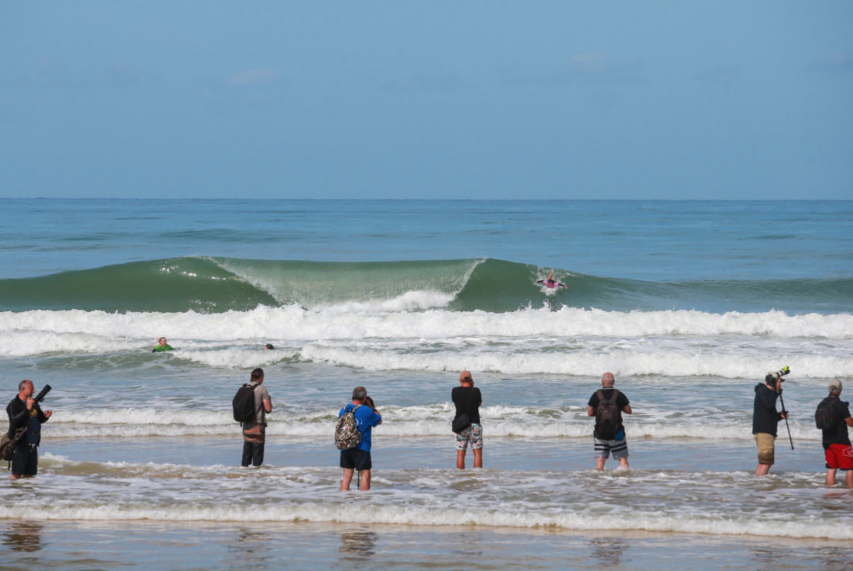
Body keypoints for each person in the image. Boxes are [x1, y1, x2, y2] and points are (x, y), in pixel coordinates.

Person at [6, 380, 52, 480]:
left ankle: (27, 494)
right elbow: (14, 422)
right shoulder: (13, 405)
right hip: (20, 443)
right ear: (23, 389)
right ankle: (12, 493)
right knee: (16, 474)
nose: (34, 391)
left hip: (33, 443)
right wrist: (27, 408)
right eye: (31, 389)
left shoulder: (34, 404)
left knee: (29, 475)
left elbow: (38, 419)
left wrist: (45, 416)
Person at [339, 386, 382, 491]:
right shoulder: (367, 410)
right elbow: (379, 420)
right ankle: (364, 501)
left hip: (345, 445)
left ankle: (343, 500)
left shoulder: (343, 410)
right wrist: (372, 407)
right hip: (361, 446)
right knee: (365, 474)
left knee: (347, 476)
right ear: (365, 397)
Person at [587, 372, 632, 470]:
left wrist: (598, 413)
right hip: (618, 432)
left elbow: (590, 413)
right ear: (614, 382)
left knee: (599, 463)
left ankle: (599, 481)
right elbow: (629, 411)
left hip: (600, 433)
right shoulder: (619, 395)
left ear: (602, 382)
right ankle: (625, 482)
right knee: (623, 460)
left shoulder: (596, 395)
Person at [818, 379, 853, 488]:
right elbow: (850, 423)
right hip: (841, 441)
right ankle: (851, 492)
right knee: (851, 468)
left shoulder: (822, 403)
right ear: (840, 390)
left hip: (826, 441)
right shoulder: (841, 405)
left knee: (831, 468)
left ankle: (830, 494)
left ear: (829, 389)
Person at [753, 371, 789, 476]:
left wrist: (779, 416)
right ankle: (762, 484)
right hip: (764, 432)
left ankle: (759, 481)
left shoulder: (765, 393)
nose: (780, 384)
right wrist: (776, 392)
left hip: (765, 430)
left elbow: (768, 413)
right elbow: (769, 404)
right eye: (778, 382)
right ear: (772, 382)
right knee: (766, 461)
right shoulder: (764, 391)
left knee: (764, 461)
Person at [241, 368, 272, 467]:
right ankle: (257, 479)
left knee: (246, 454)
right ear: (261, 377)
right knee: (257, 457)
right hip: (258, 425)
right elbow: (268, 409)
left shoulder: (244, 387)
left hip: (246, 424)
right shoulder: (262, 389)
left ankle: (243, 477)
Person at [452, 370, 483, 469]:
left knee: (461, 454)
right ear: (471, 380)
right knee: (477, 454)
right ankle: (477, 477)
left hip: (461, 425)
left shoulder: (455, 391)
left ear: (460, 380)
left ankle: (460, 477)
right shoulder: (476, 391)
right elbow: (479, 404)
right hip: (474, 425)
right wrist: (472, 386)